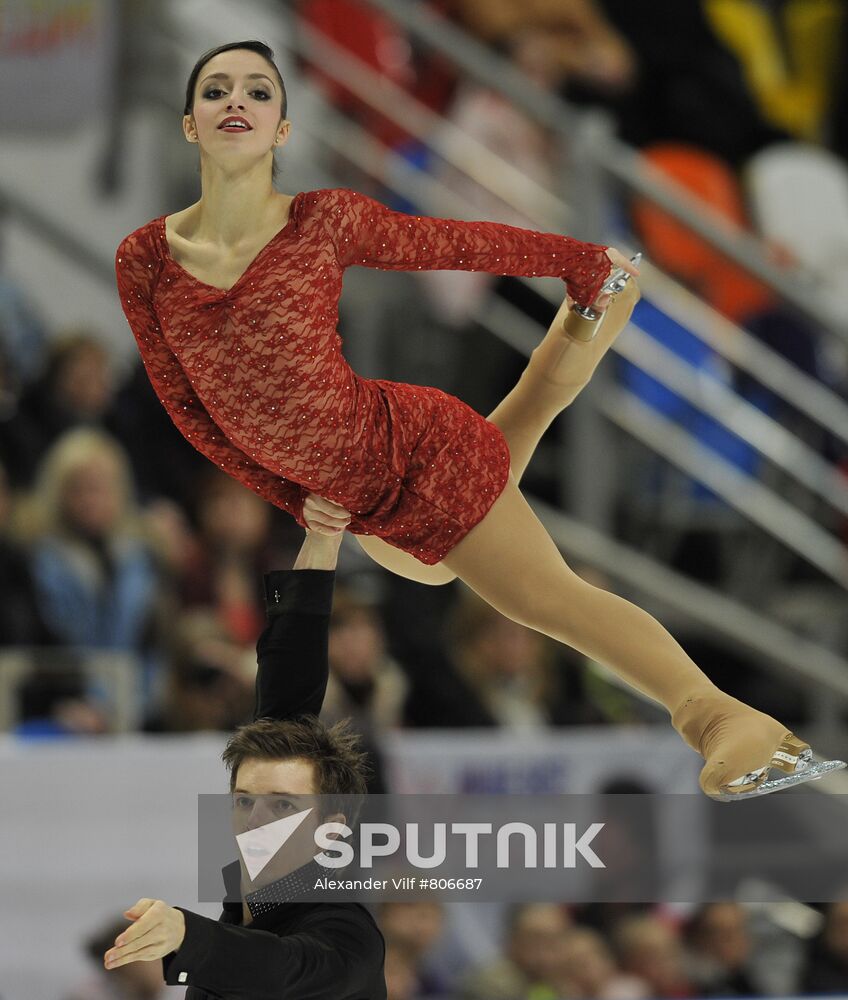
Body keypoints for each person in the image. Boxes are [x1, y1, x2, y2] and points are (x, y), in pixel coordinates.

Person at [114, 39, 832, 800]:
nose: (236, 102)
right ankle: (592, 319)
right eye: (216, 89)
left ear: (284, 129)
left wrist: (576, 257)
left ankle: (718, 720)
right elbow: (188, 409)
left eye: (258, 92)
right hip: (368, 513)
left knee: (544, 600)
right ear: (189, 123)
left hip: (414, 454)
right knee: (518, 439)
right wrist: (290, 498)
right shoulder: (145, 259)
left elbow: (456, 243)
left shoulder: (320, 223)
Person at [103, 525, 387, 999]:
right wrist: (320, 540)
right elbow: (286, 690)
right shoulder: (246, 906)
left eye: (282, 807)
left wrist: (187, 937)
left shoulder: (346, 932)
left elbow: (279, 968)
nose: (256, 822)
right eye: (244, 802)